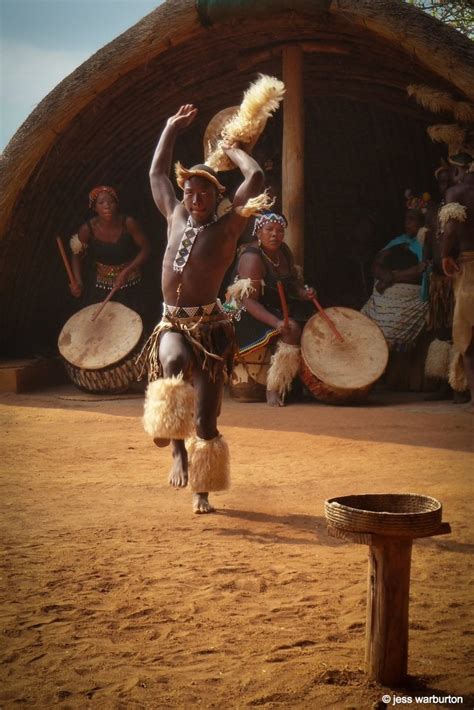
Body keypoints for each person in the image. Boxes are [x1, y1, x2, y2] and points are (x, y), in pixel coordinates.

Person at [140, 104, 267, 514]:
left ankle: (202, 488)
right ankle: (175, 450)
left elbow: (257, 178)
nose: (195, 199)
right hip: (172, 323)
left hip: (211, 328)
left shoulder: (229, 226)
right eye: (190, 192)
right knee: (172, 361)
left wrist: (231, 150)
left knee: (206, 422)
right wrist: (168, 128)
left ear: (218, 198)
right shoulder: (174, 216)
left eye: (204, 193)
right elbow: (157, 174)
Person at [226, 211, 316, 406]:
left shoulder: (283, 252)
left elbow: (291, 282)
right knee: (290, 328)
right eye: (269, 230)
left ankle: (295, 384)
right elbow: (248, 301)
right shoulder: (252, 257)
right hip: (242, 312)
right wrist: (277, 322)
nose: (275, 234)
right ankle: (273, 388)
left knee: (309, 319)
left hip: (268, 306)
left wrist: (303, 293)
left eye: (280, 230)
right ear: (258, 232)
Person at [69, 186, 150, 315]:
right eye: (101, 203)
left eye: (111, 202)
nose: (107, 206)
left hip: (131, 284)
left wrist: (127, 271)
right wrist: (78, 281)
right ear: (94, 208)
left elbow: (146, 249)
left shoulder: (128, 224)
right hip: (101, 286)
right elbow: (76, 255)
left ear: (116, 204)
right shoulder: (87, 229)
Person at [361, 208, 428, 353]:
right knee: (362, 327)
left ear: (422, 223)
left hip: (407, 301)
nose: (407, 223)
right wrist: (386, 275)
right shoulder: (398, 241)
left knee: (390, 335)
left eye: (412, 219)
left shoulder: (425, 246)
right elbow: (376, 264)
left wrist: (391, 277)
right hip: (381, 298)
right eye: (406, 219)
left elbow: (421, 271)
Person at [439, 152, 474, 407]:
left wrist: (444, 255)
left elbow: (450, 228)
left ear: (459, 170)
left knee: (468, 332)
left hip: (470, 266)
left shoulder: (458, 193)